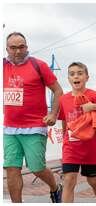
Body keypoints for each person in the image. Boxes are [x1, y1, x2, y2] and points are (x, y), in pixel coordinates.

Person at [3, 32, 63, 203]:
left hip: (35, 126)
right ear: (7, 49)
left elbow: (58, 90)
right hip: (10, 128)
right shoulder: (3, 66)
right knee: (11, 169)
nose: (17, 51)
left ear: (27, 47)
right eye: (13, 47)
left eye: (21, 46)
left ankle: (55, 187)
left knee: (36, 168)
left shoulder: (39, 65)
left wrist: (53, 114)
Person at [58, 62, 96, 202]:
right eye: (72, 74)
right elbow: (64, 120)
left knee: (92, 180)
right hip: (71, 147)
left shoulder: (94, 96)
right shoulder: (64, 99)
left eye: (79, 73)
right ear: (68, 79)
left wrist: (92, 106)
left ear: (87, 77)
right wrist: (64, 137)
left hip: (90, 148)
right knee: (69, 180)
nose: (76, 76)